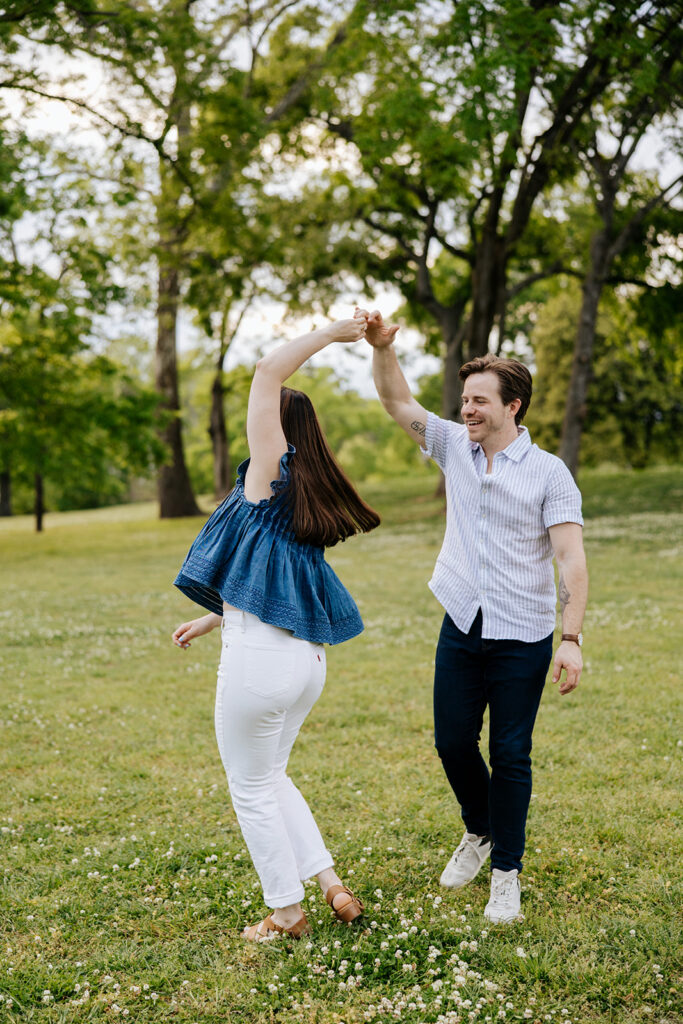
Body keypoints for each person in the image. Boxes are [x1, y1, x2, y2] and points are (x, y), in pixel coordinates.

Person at [362, 309, 588, 924]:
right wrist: (382, 347)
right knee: (451, 741)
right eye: (465, 400)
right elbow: (396, 400)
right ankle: (480, 829)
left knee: (510, 754)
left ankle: (506, 873)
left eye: (480, 401)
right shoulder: (453, 449)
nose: (468, 410)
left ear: (513, 406)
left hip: (523, 634)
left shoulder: (549, 473)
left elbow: (570, 559)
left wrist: (571, 638)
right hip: (462, 622)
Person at [171, 311, 379, 942]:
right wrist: (214, 618)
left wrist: (335, 333)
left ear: (277, 429)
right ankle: (331, 885)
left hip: (259, 664)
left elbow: (267, 370)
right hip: (304, 663)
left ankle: (286, 912)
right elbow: (271, 582)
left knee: (250, 786)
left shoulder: (269, 474)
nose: (250, 419)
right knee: (270, 774)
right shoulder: (300, 496)